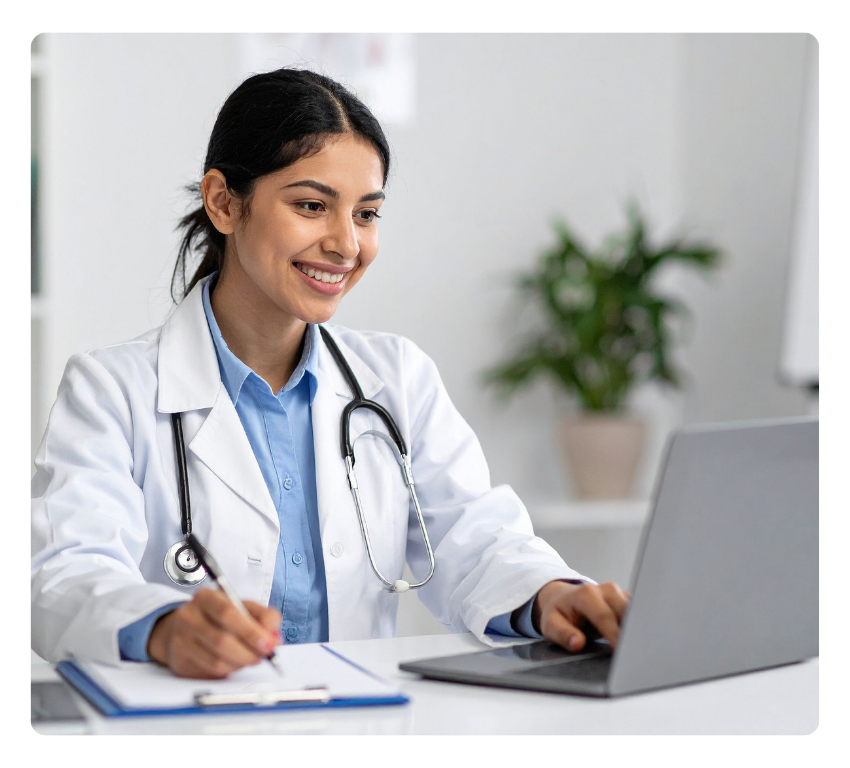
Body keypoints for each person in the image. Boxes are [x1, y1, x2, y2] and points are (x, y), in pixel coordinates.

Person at [30, 69, 629, 679]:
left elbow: (478, 544)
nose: (346, 245)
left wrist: (552, 594)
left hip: (359, 715)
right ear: (223, 202)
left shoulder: (397, 379)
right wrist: (161, 626)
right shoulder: (112, 391)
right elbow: (66, 574)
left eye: (366, 214)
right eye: (312, 206)